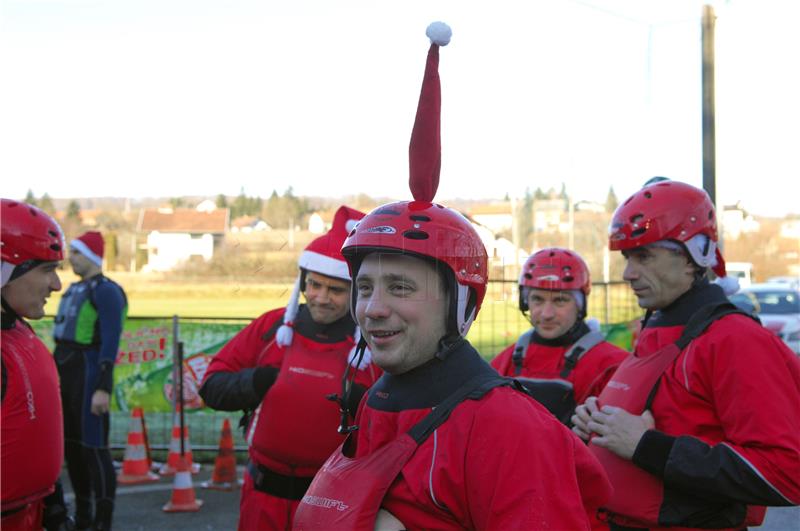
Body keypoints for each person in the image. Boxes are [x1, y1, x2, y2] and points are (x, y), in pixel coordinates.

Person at [292, 22, 611, 531]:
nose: (372, 307)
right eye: (366, 287)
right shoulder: (380, 395)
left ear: (460, 305)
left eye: (401, 287)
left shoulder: (509, 430)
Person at [572, 179, 800, 530]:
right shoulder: (658, 328)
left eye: (644, 256)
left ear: (695, 255)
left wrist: (647, 446)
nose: (628, 274)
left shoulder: (733, 339)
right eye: (627, 257)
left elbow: (786, 473)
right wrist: (597, 424)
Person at [199, 205, 381, 531]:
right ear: (303, 283)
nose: (322, 297)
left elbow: (399, 428)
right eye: (314, 285)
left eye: (336, 290)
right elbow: (211, 385)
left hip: (333, 505)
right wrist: (256, 382)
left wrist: (365, 405)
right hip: (262, 498)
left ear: (355, 292)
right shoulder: (273, 329)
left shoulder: (373, 345)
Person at [491, 247, 627, 425]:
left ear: (580, 305)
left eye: (560, 300)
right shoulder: (505, 361)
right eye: (537, 299)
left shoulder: (612, 366)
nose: (547, 314)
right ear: (526, 302)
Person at [1, 199, 68, 530]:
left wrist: (52, 501)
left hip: (30, 513)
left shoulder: (17, 331)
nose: (56, 286)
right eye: (46, 270)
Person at [53, 231, 127, 531]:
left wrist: (102, 387)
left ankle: (102, 521)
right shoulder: (74, 289)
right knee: (72, 448)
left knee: (94, 448)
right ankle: (83, 516)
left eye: (77, 252)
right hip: (67, 371)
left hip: (89, 372)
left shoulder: (107, 290)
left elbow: (111, 340)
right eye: (71, 252)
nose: (71, 257)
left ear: (93, 256)